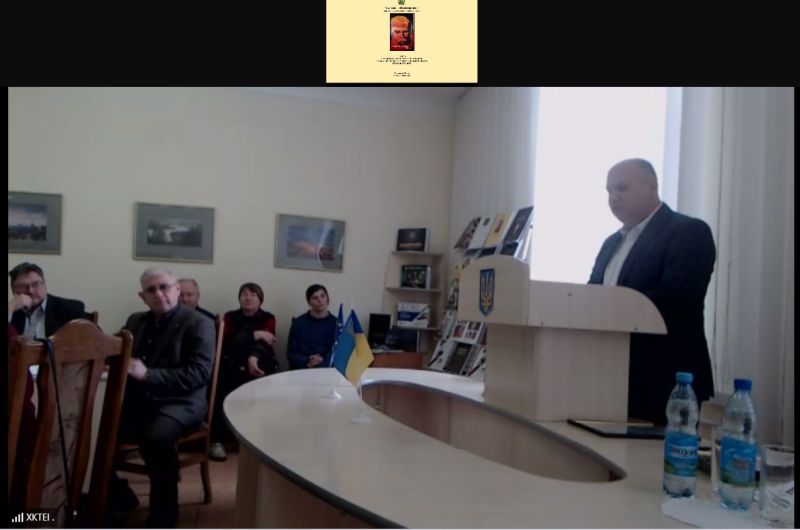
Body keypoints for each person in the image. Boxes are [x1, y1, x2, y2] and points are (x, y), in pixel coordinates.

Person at [588, 158, 716, 425]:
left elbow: (676, 298)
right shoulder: (611, 243)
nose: (613, 198)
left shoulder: (688, 232)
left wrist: (609, 308)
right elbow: (591, 296)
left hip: (667, 383)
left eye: (622, 188)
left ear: (652, 187)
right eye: (609, 191)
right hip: (610, 379)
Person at [109, 266, 215, 528]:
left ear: (176, 289)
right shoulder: (135, 321)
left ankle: (164, 515)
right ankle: (119, 497)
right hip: (140, 401)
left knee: (156, 439)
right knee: (91, 430)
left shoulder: (200, 323)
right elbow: (115, 351)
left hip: (182, 402)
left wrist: (148, 375)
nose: (158, 294)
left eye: (164, 287)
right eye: (151, 290)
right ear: (142, 296)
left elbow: (198, 374)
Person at [209, 282, 278, 461]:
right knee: (219, 388)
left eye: (253, 295)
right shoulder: (230, 317)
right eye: (244, 294)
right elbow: (227, 340)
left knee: (263, 390)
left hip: (259, 363)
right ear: (239, 298)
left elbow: (266, 343)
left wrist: (253, 357)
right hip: (231, 363)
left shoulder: (269, 318)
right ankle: (217, 441)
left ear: (260, 300)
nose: (248, 298)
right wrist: (256, 334)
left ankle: (256, 442)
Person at [8, 262, 89, 338]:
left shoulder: (70, 309)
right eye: (22, 286)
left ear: (44, 285)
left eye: (35, 284)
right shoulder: (12, 311)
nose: (30, 291)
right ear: (13, 290)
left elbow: (91, 341)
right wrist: (10, 307)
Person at [287, 284, 338, 370]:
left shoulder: (337, 323)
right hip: (303, 370)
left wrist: (322, 361)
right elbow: (291, 354)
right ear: (309, 302)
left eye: (322, 296)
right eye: (315, 298)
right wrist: (307, 361)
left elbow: (340, 351)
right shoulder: (298, 323)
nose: (320, 300)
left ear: (327, 299)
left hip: (328, 370)